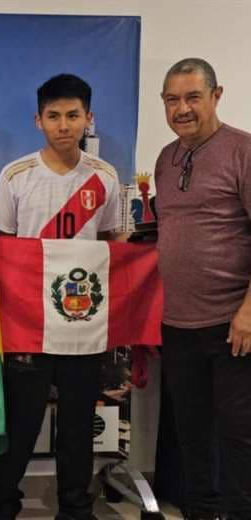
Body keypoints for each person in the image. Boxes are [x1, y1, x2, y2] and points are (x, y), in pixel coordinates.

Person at [0, 73, 120, 520]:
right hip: (28, 326)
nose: (64, 125)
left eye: (73, 115)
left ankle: (75, 509)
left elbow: (109, 248)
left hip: (82, 325)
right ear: (38, 120)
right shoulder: (16, 175)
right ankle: (2, 506)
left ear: (89, 118)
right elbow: (2, 248)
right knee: (20, 428)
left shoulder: (105, 177)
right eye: (54, 116)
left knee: (78, 428)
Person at [155, 57, 251, 520]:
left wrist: (249, 312)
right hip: (178, 323)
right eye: (172, 100)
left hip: (234, 324)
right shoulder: (165, 159)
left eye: (193, 97)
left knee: (239, 436)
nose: (183, 109)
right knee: (193, 436)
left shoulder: (243, 152)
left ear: (216, 95)